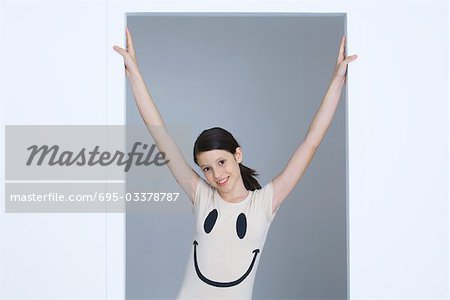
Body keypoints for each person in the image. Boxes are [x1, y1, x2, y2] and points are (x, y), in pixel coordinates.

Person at [113, 27, 358, 299]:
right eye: (206, 168)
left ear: (237, 156)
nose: (216, 174)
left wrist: (337, 82)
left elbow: (310, 142)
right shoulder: (202, 197)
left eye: (221, 162)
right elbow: (160, 135)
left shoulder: (263, 204)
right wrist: (134, 72)